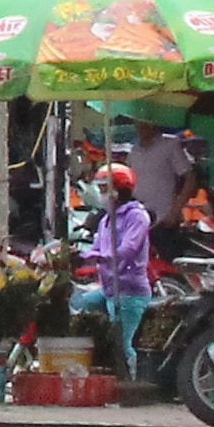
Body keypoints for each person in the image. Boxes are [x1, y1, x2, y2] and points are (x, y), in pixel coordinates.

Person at [77, 160, 154, 377]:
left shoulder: (137, 216)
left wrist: (102, 257)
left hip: (129, 290)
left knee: (122, 342)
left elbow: (128, 248)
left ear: (119, 191)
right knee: (79, 304)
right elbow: (95, 249)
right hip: (109, 288)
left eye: (104, 189)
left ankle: (130, 381)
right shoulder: (105, 220)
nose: (101, 195)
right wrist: (78, 258)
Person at [123, 122, 195, 259]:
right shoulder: (134, 151)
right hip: (139, 220)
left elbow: (190, 179)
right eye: (138, 122)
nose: (140, 127)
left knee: (167, 265)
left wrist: (175, 211)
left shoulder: (170, 144)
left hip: (164, 219)